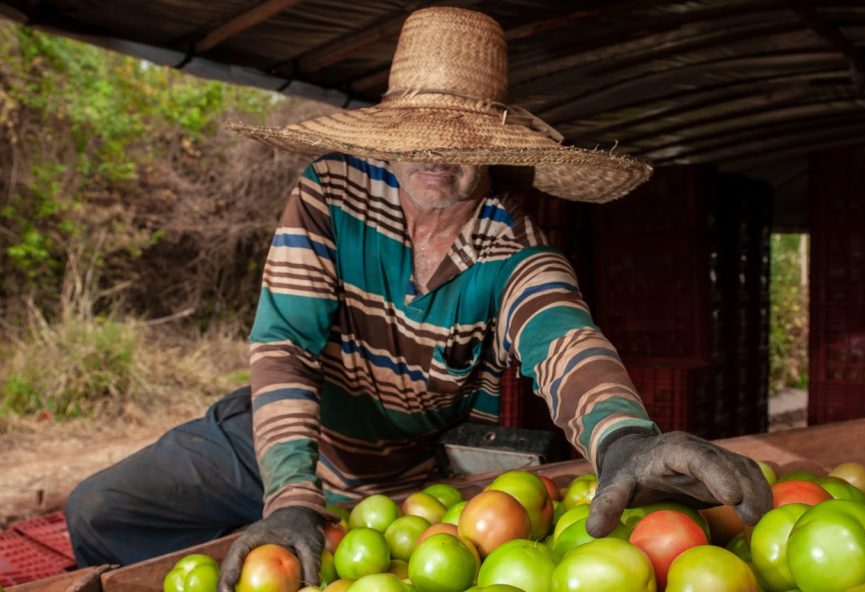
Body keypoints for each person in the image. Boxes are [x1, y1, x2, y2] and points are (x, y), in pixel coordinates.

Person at [65, 7, 772, 591]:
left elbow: (564, 340)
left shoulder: (514, 249)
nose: (434, 155)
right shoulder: (329, 193)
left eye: (460, 139)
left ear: (498, 150)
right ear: (387, 133)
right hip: (270, 444)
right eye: (416, 134)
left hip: (397, 481)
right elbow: (283, 348)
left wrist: (625, 440)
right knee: (101, 512)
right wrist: (288, 496)